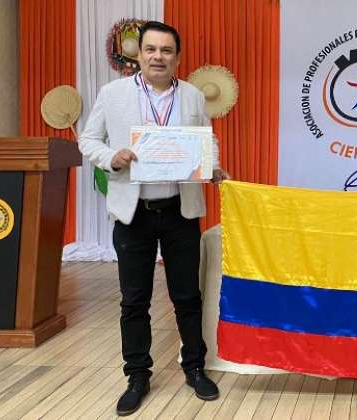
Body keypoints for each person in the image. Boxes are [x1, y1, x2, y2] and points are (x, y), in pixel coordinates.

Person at [78, 21, 227, 416]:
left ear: (177, 57)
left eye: (166, 51)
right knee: (134, 299)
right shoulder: (112, 94)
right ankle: (137, 375)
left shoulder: (193, 95)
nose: (158, 57)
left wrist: (211, 165)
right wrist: (112, 157)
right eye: (151, 50)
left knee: (187, 297)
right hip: (133, 214)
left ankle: (195, 368)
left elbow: (205, 139)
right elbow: (88, 139)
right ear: (138, 54)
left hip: (181, 211)